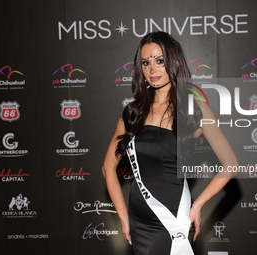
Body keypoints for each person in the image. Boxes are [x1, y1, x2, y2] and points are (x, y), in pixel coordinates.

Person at [102, 31, 238, 255]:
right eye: (146, 63)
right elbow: (107, 168)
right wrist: (123, 216)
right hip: (139, 219)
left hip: (173, 218)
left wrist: (198, 204)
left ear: (174, 62)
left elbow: (230, 163)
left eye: (159, 60)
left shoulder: (194, 110)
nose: (152, 69)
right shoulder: (131, 113)